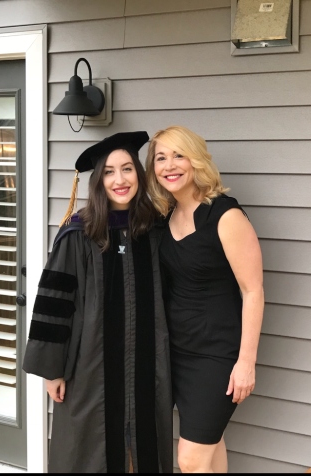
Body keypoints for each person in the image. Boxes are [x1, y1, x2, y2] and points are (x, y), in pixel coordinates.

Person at [23, 131, 173, 473]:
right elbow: (55, 303)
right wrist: (52, 371)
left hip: (149, 364)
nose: (119, 180)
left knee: (145, 448)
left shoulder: (156, 230)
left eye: (127, 169)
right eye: (108, 171)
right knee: (88, 451)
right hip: (90, 366)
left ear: (139, 173)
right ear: (97, 180)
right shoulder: (79, 234)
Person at [145, 125, 264, 473]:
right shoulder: (166, 215)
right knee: (211, 449)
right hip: (177, 352)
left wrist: (246, 362)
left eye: (178, 155)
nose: (169, 165)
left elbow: (253, 290)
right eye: (160, 158)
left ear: (195, 159)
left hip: (217, 356)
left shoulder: (225, 216)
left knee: (190, 460)